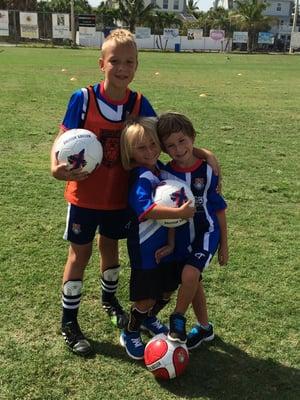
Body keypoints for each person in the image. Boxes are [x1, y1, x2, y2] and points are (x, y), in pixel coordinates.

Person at [50, 29, 158, 356]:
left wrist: (203, 156)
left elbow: (159, 139)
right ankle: (69, 320)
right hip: (84, 197)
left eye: (129, 62)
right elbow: (64, 139)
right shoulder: (83, 99)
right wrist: (55, 165)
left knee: (111, 248)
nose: (122, 68)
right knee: (79, 255)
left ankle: (109, 300)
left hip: (118, 198)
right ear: (102, 63)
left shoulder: (139, 103)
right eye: (115, 61)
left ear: (136, 66)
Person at [119, 117, 195, 360]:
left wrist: (172, 242)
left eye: (153, 144)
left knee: (167, 289)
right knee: (146, 297)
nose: (150, 151)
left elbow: (170, 218)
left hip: (165, 246)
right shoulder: (141, 176)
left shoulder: (160, 169)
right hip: (145, 248)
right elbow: (147, 211)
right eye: (141, 148)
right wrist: (180, 213)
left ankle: (148, 318)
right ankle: (130, 330)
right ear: (130, 152)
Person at [157, 112, 229, 349]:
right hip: (182, 236)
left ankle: (177, 318)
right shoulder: (166, 173)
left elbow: (219, 209)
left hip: (207, 233)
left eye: (182, 141)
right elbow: (169, 212)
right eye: (171, 145)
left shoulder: (209, 171)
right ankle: (205, 329)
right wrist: (170, 243)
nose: (178, 149)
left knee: (188, 275)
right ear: (165, 149)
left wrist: (225, 246)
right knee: (193, 281)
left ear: (192, 138)